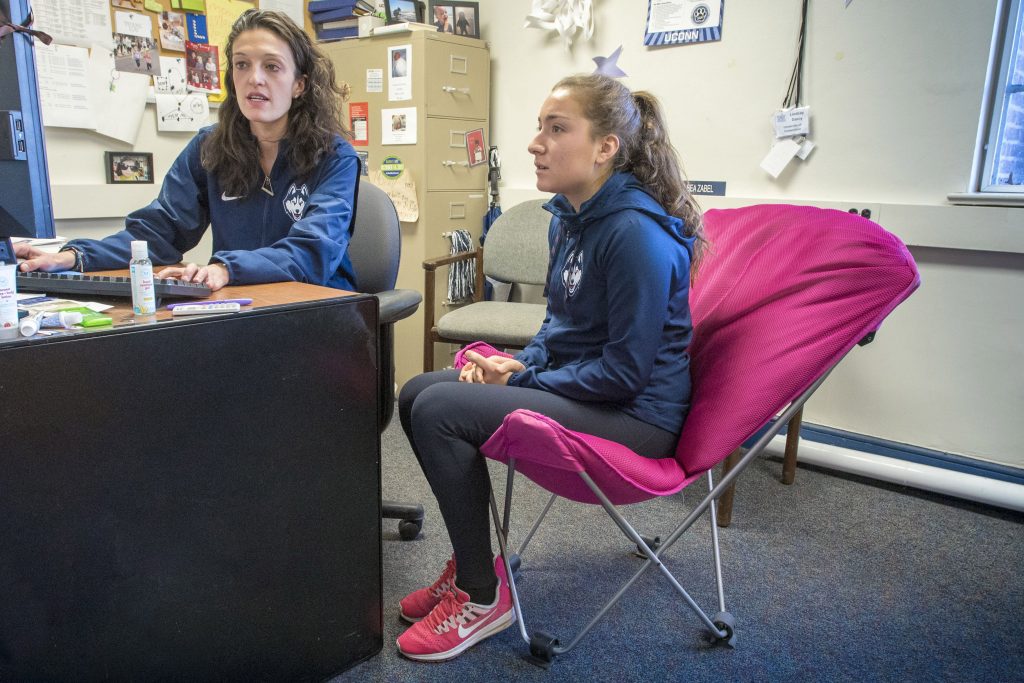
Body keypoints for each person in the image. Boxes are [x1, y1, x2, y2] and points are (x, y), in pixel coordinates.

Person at [394, 73, 707, 662]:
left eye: (556, 129)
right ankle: (471, 565)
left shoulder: (636, 235)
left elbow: (625, 373)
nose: (536, 143)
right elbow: (560, 328)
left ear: (605, 147)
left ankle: (482, 597)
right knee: (416, 393)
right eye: (539, 127)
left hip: (636, 417)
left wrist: (524, 379)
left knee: (441, 411)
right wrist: (519, 360)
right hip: (593, 391)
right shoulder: (569, 216)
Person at [16, 9, 359, 292]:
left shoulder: (335, 157)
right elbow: (160, 231)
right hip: (239, 304)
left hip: (318, 308)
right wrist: (75, 256)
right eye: (242, 64)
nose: (254, 78)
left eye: (272, 66)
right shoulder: (211, 147)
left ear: (299, 84)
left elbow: (314, 251)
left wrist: (226, 268)